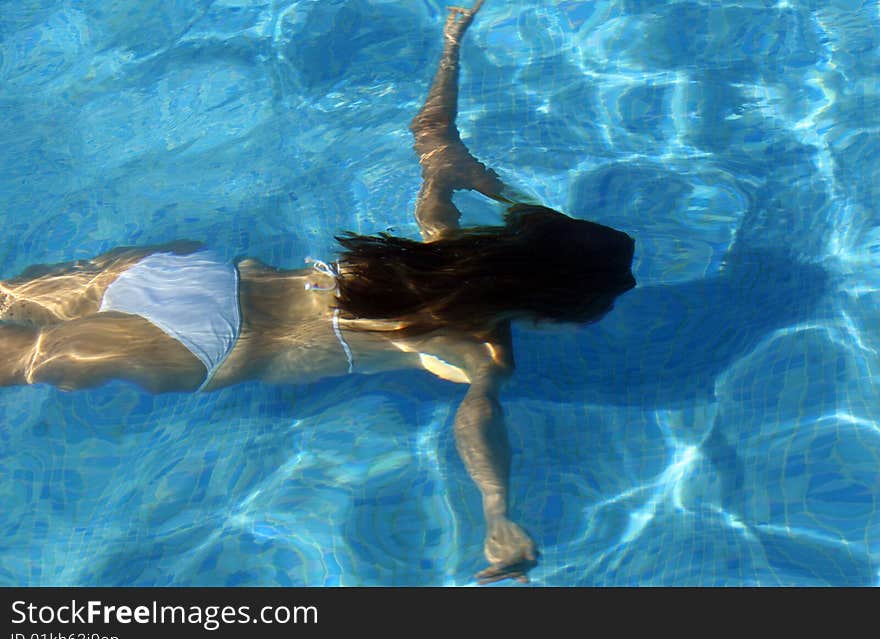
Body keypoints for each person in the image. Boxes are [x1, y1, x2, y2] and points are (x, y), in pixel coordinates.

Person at [0, 1, 635, 584]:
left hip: (194, 273)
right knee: (17, 358)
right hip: (207, 344)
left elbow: (431, 130)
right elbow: (479, 417)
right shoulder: (484, 345)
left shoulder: (445, 239)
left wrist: (452, 38)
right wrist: (497, 513)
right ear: (554, 307)